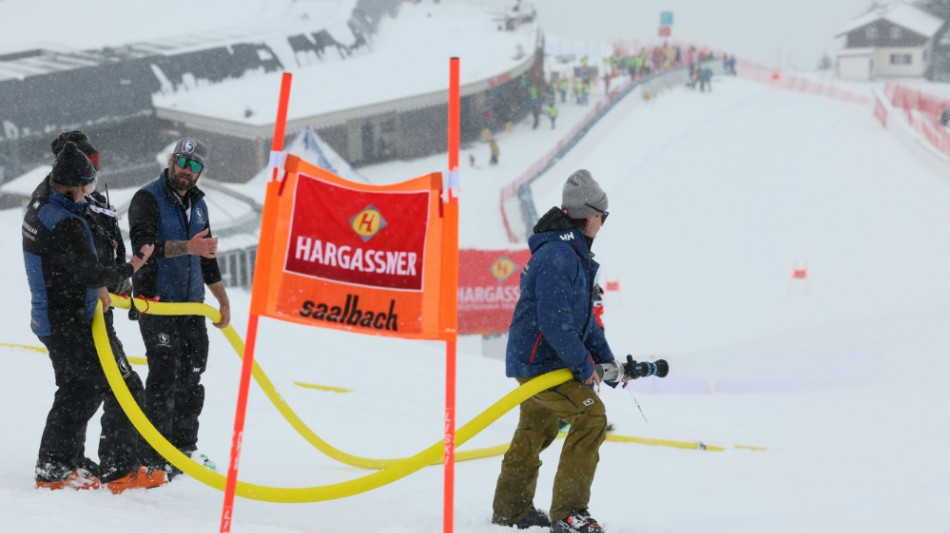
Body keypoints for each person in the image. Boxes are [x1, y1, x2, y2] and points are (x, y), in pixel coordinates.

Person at [23, 141, 162, 493]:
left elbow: (72, 267)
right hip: (68, 320)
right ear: (72, 186)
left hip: (58, 316)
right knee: (120, 385)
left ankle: (57, 465)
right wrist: (133, 265)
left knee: (78, 389)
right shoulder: (66, 221)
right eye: (85, 186)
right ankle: (117, 470)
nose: (88, 194)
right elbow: (90, 273)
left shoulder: (44, 199)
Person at [492, 169, 626, 533]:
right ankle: (570, 512)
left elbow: (584, 322)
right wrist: (585, 367)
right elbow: (554, 324)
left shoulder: (574, 253)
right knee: (592, 416)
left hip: (544, 359)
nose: (604, 222)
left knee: (535, 429)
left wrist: (607, 361)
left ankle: (510, 510)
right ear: (590, 216)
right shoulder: (559, 256)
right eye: (603, 216)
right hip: (540, 361)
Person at [128, 137, 230, 477]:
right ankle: (154, 455)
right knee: (163, 377)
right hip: (157, 304)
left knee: (192, 376)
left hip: (191, 306)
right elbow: (144, 248)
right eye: (183, 163)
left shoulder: (199, 205)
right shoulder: (147, 198)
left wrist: (222, 299)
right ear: (171, 160)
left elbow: (207, 258)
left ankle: (184, 447)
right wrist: (188, 246)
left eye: (195, 166)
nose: (187, 171)